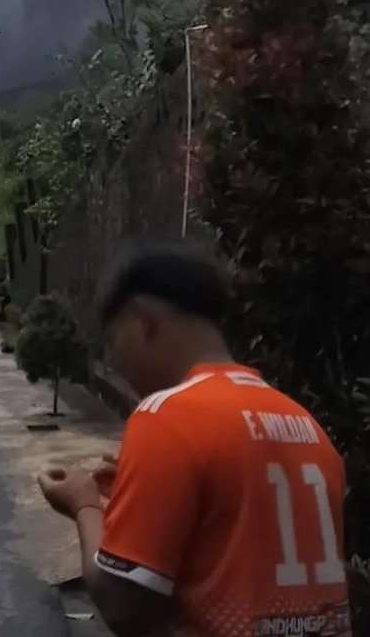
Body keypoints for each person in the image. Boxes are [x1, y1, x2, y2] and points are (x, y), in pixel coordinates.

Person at [37, 241, 350, 637]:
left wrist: (83, 504)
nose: (113, 361)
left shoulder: (166, 417)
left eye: (112, 342)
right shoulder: (307, 426)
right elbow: (236, 537)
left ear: (142, 323)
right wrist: (145, 494)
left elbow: (122, 606)